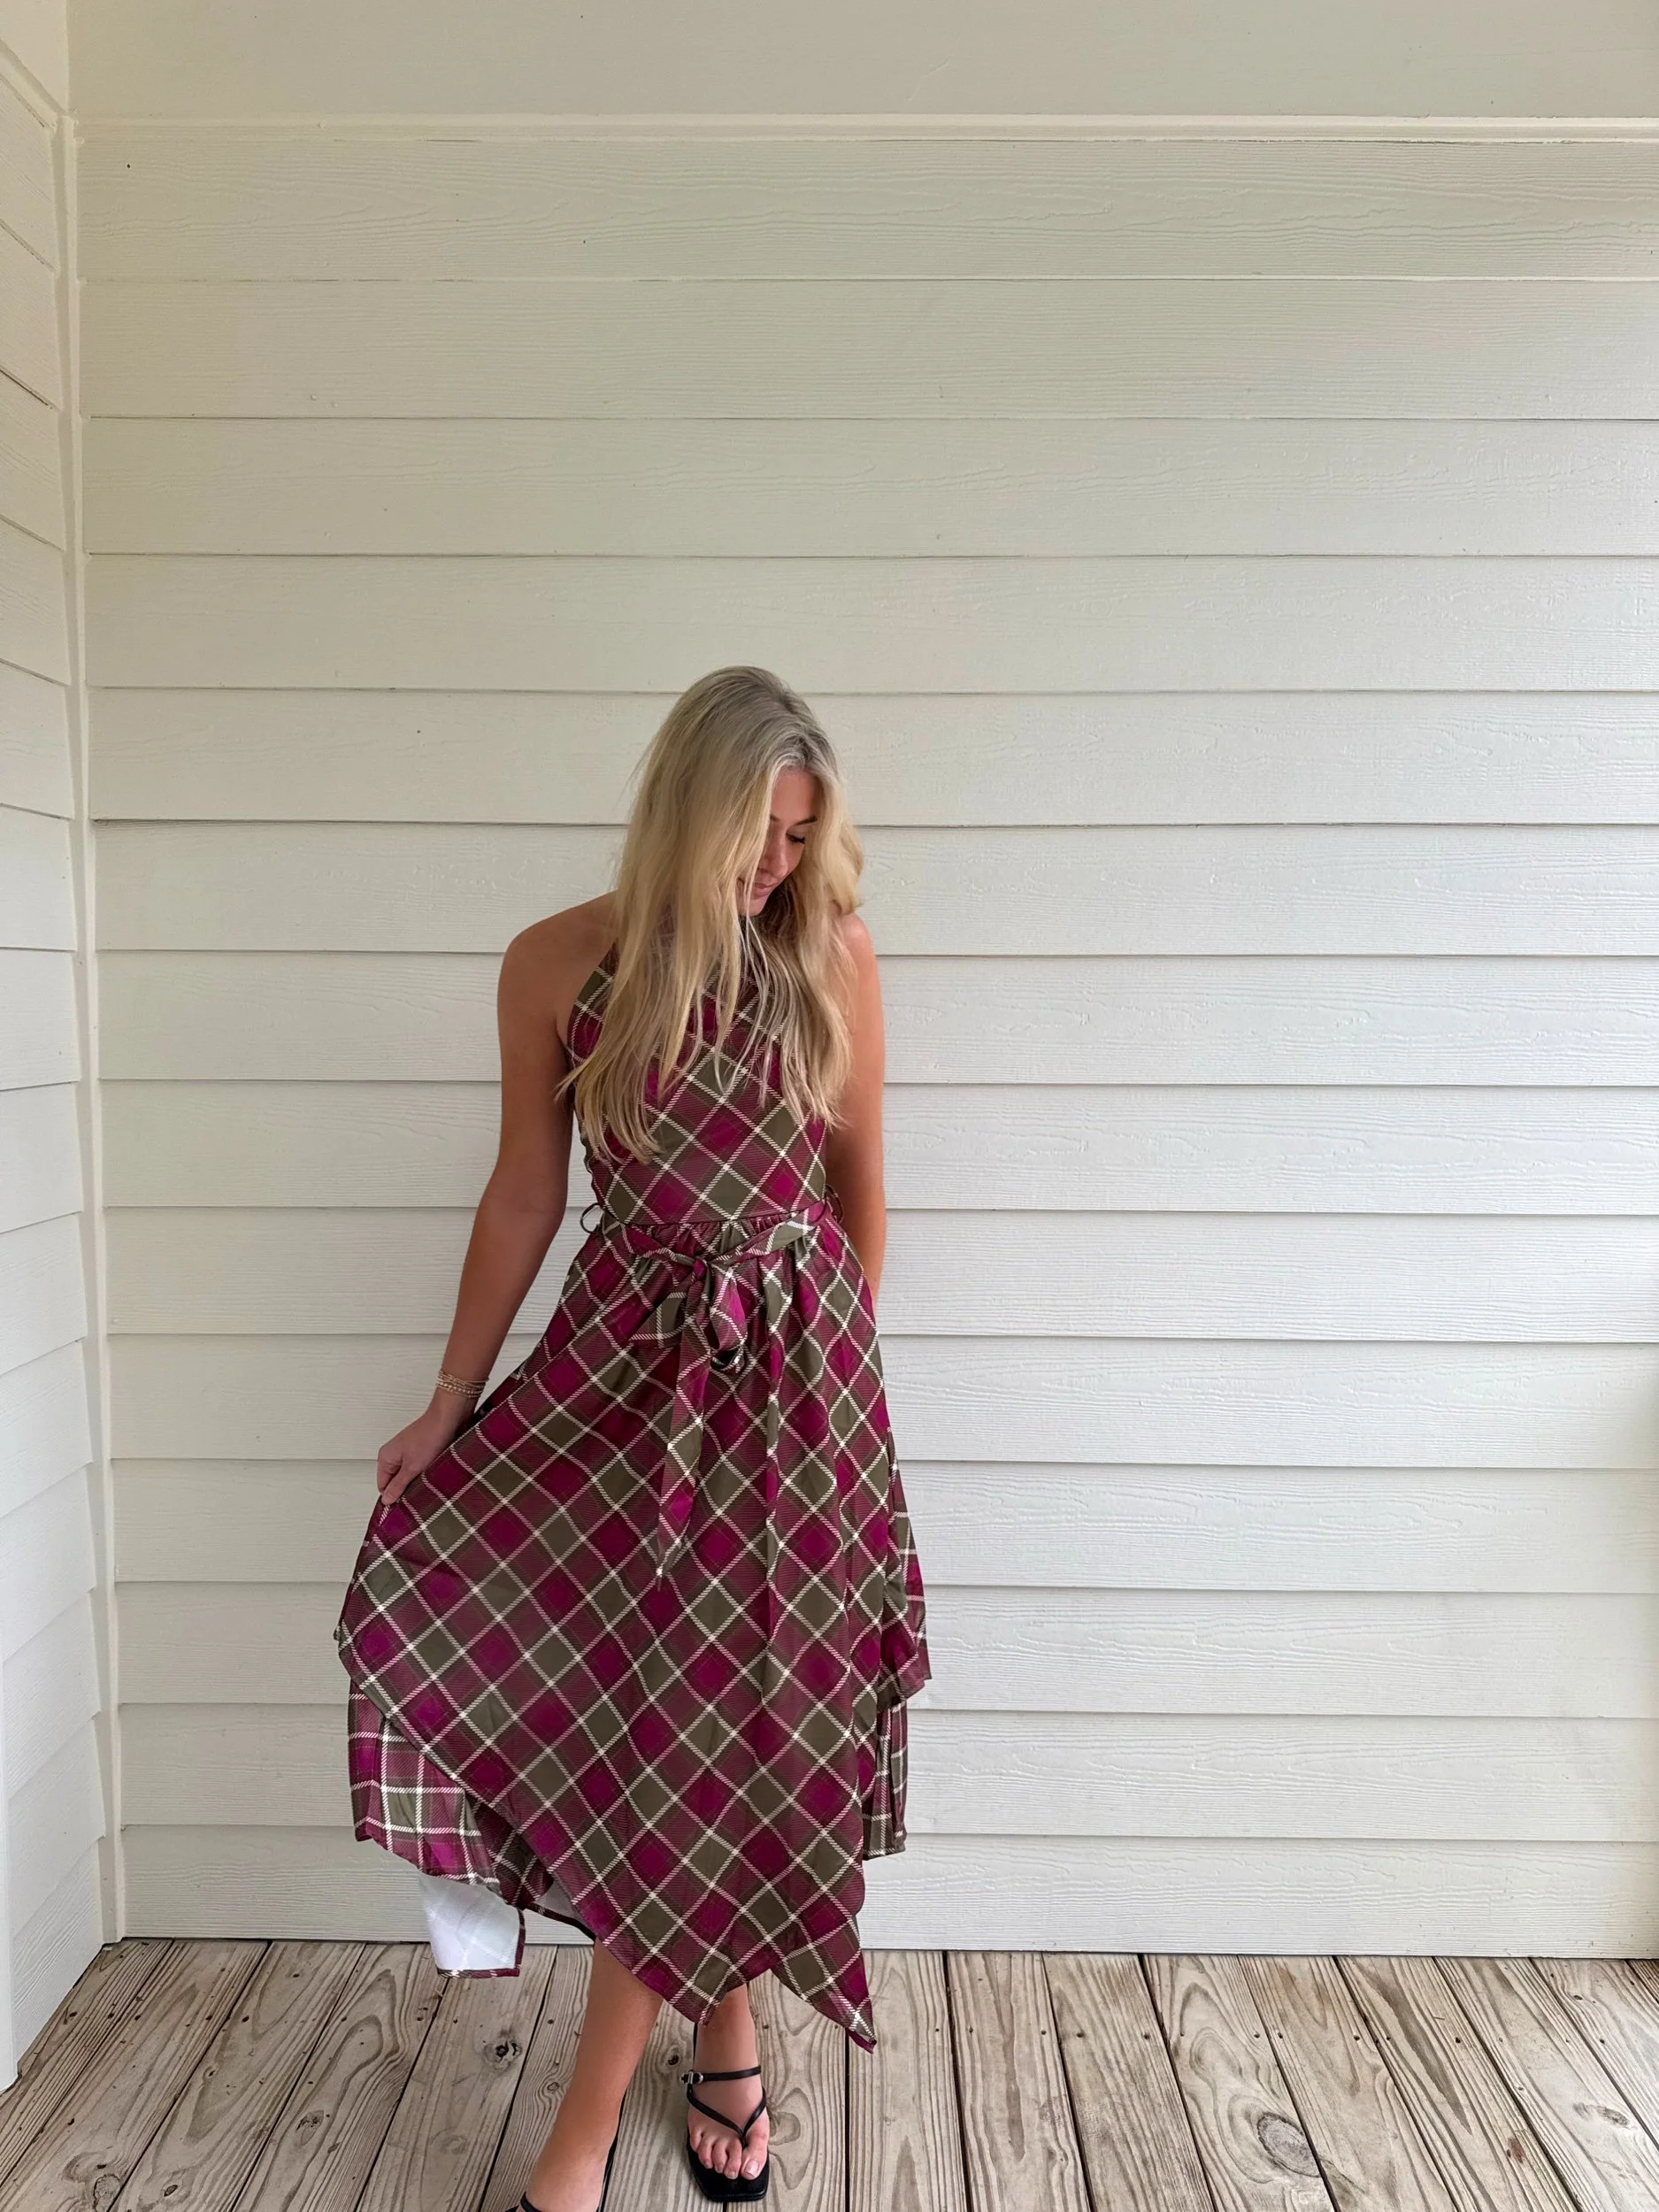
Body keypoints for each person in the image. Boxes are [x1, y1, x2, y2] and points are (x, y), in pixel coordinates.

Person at [333, 666, 933, 2211]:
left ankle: (582, 2132)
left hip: (790, 1394)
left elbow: (859, 1189)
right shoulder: (557, 963)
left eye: (800, 836)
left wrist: (827, 1393)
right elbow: (524, 1194)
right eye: (756, 832)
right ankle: (724, 2024)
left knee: (720, 1725)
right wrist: (450, 1398)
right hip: (618, 1381)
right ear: (684, 810)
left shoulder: (828, 952)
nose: (776, 866)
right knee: (653, 1724)